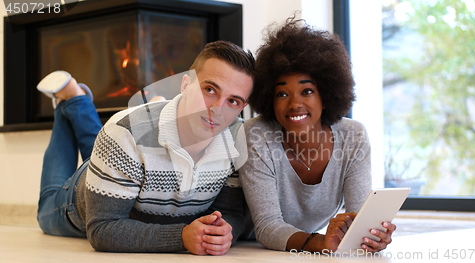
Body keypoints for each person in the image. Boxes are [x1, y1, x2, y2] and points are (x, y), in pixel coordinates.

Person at [36, 41, 254, 255]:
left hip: (128, 164)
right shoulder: (122, 134)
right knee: (47, 206)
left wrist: (225, 233)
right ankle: (71, 101)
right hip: (82, 199)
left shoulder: (237, 139)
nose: (217, 109)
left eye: (233, 101)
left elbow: (231, 212)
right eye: (209, 89)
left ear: (243, 107)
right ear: (185, 85)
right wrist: (181, 237)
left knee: (121, 141)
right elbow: (103, 228)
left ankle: (78, 100)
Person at [239, 19, 396, 253]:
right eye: (282, 93)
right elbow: (266, 227)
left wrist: (371, 236)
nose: (294, 104)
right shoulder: (256, 135)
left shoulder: (353, 136)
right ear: (269, 100)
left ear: (326, 94)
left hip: (301, 249)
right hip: (245, 245)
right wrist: (320, 243)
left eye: (307, 91)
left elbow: (358, 219)